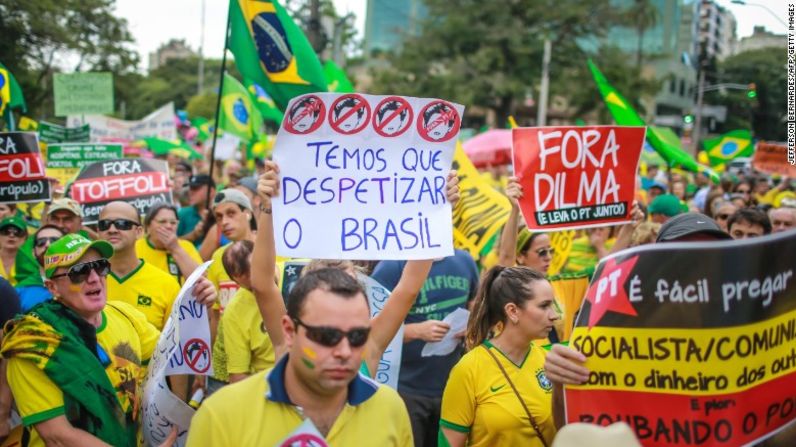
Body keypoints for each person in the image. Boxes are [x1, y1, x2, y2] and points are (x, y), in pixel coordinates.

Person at [0, 234, 214, 446]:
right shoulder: (34, 343)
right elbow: (58, 437)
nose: (94, 278)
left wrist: (200, 308)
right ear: (52, 287)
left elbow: (176, 360)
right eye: (79, 272)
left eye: (100, 266)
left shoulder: (126, 316)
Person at [186, 268, 414, 446]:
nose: (344, 351)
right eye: (326, 335)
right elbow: (263, 282)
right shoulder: (221, 414)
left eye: (357, 336)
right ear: (289, 331)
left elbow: (409, 289)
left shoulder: (390, 408)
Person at [371, 248, 479, 447]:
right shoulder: (390, 267)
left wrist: (471, 325)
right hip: (406, 388)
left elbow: (474, 305)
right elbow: (370, 333)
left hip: (452, 385)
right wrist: (415, 331)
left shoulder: (464, 260)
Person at [439, 266, 558, 447]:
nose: (554, 315)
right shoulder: (469, 369)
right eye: (544, 306)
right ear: (512, 311)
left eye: (553, 305)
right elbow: (449, 443)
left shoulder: (551, 360)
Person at [98, 201, 182, 330]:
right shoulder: (84, 280)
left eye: (122, 224)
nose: (112, 230)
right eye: (105, 224)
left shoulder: (166, 285)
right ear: (98, 231)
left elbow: (174, 343)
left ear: (139, 232)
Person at [218, 240, 275, 384]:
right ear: (235, 280)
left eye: (255, 267)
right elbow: (238, 376)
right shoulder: (234, 313)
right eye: (246, 276)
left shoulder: (295, 273)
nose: (255, 277)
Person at [497, 177, 554, 275]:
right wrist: (515, 208)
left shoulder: (556, 283)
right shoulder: (513, 284)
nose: (548, 257)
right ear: (520, 257)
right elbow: (506, 257)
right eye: (541, 252)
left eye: (551, 251)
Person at [135, 202, 201, 285]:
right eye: (162, 222)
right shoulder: (135, 248)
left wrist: (175, 249)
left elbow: (200, 281)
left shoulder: (186, 247)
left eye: (173, 223)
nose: (169, 226)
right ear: (148, 226)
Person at [15, 225, 64, 311]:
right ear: (33, 253)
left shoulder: (84, 283)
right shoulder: (20, 291)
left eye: (55, 241)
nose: (48, 245)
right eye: (41, 242)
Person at [178, 174, 216, 248]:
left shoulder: (220, 213)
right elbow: (168, 243)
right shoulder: (182, 214)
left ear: (211, 191)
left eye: (195, 188)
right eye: (190, 188)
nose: (190, 192)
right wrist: (193, 235)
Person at [0, 216, 27, 286]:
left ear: (25, 237)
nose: (11, 235)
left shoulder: (30, 262)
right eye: (6, 231)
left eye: (17, 232)